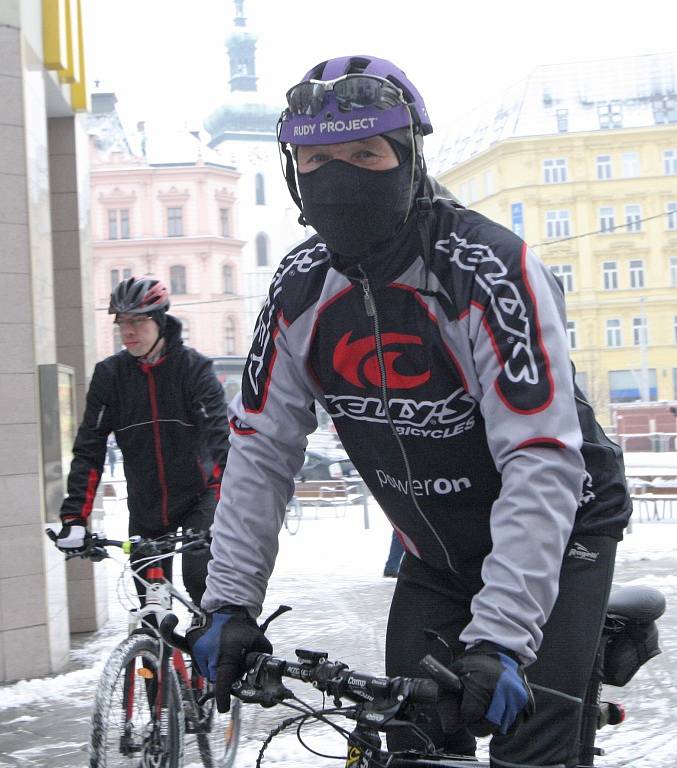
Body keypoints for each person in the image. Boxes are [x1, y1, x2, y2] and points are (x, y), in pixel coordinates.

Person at [188, 55, 631, 767]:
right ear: (291, 169)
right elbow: (261, 448)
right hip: (436, 551)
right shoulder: (300, 287)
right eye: (317, 158)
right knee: (411, 747)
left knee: (529, 753)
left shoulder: (488, 269)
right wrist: (229, 604)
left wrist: (500, 640)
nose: (338, 176)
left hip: (564, 531)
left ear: (409, 159)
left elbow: (538, 458)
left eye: (364, 154)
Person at [56, 276, 229, 607]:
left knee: (201, 586)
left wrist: (231, 510)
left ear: (160, 321)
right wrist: (74, 518)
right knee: (151, 603)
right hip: (146, 506)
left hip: (199, 499)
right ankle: (153, 651)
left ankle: (210, 653)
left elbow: (220, 440)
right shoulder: (110, 376)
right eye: (122, 323)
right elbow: (88, 448)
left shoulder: (194, 369)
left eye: (138, 321)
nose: (128, 331)